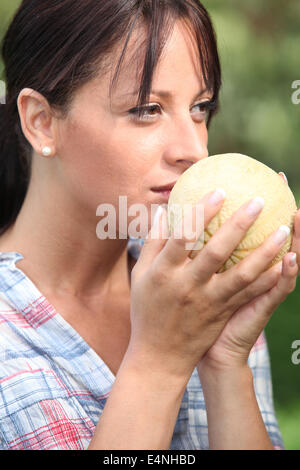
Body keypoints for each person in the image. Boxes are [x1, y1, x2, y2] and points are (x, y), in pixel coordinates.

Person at [0, 0, 298, 451]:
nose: (193, 149)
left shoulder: (203, 286)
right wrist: (159, 361)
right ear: (42, 122)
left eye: (200, 107)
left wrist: (226, 362)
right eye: (147, 109)